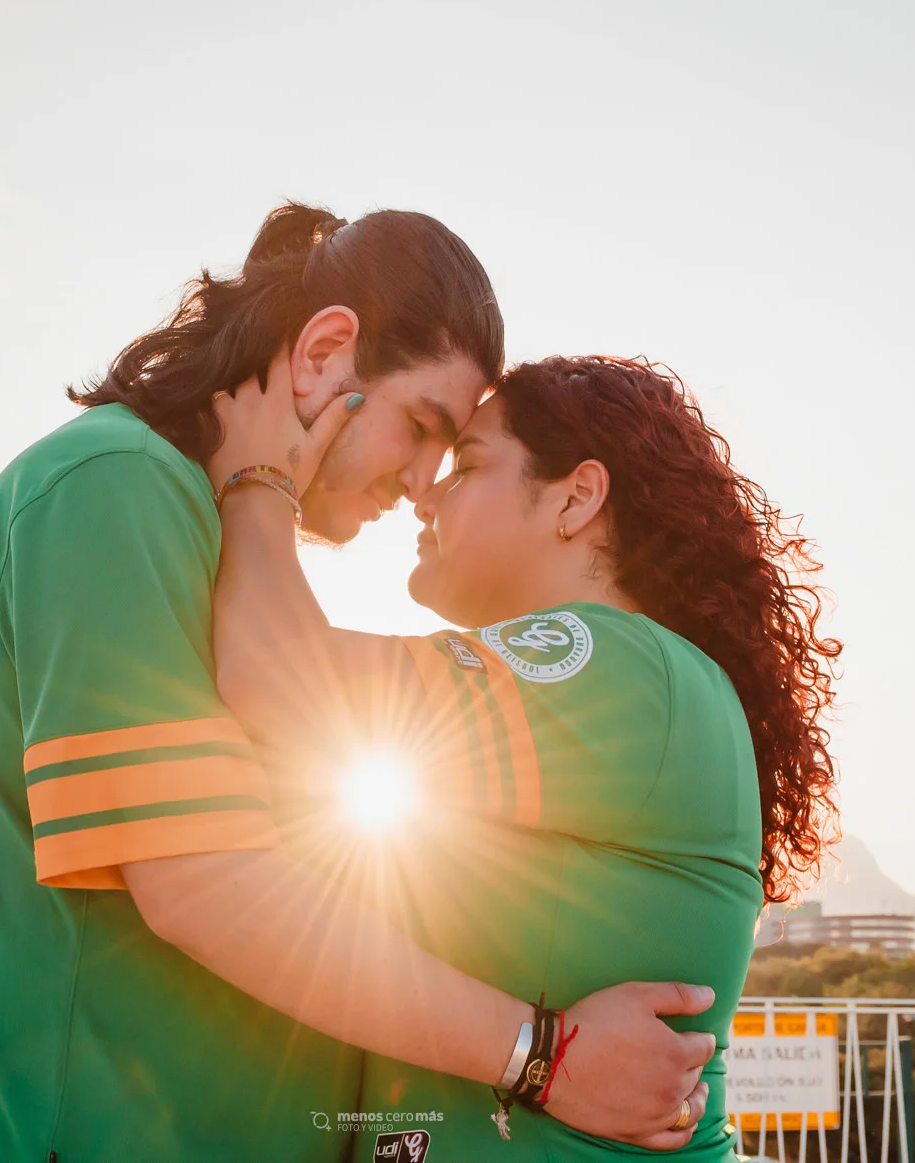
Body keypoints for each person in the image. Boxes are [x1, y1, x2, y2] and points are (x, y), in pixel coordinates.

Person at [0, 206, 721, 1163]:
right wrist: (541, 1058)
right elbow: (202, 885)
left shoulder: (216, 535)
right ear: (326, 353)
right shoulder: (112, 487)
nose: (424, 484)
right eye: (423, 427)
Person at [210, 354, 842, 1158]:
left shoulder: (620, 665)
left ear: (577, 498)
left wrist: (260, 478)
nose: (424, 493)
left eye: (468, 464)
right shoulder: (609, 693)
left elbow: (279, 681)